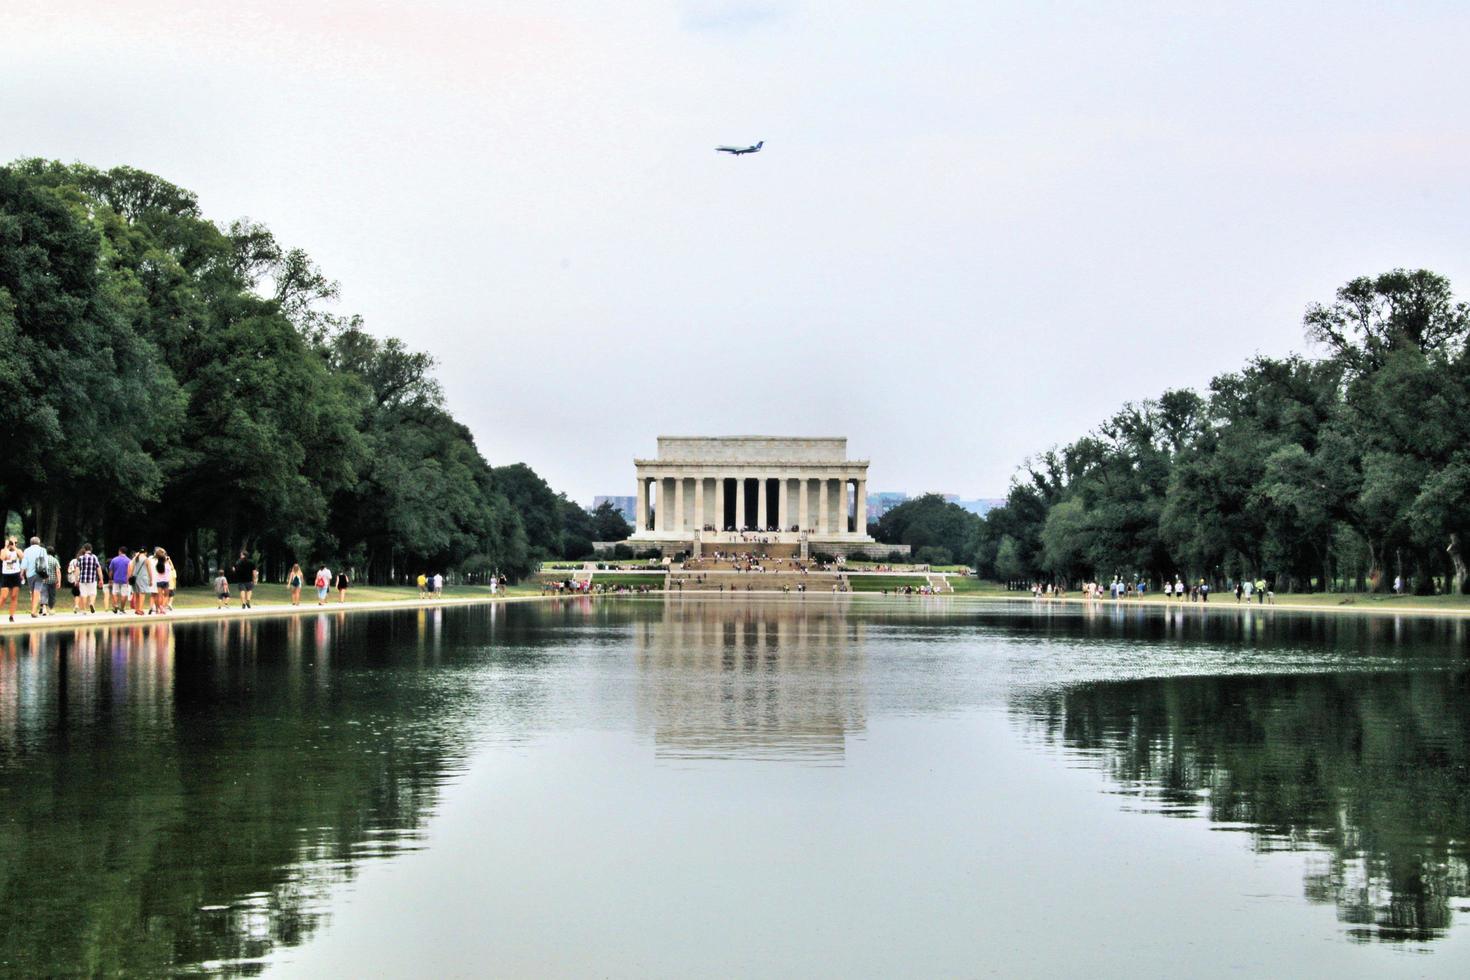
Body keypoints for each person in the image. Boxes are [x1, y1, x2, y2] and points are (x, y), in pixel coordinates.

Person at [22, 536, 50, 617]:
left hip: (29, 574)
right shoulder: (43, 550)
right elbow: (46, 563)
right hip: (40, 573)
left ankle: (33, 610)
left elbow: (24, 562)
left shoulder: (26, 550)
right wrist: (46, 574)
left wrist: (21, 572)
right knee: (37, 591)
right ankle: (34, 611)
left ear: (31, 543)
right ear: (38, 542)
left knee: (32, 592)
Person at [76, 543, 102, 614]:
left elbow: (77, 570)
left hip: (82, 579)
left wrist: (76, 580)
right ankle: (91, 604)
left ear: (84, 549)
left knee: (83, 594)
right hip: (92, 579)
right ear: (91, 549)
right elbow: (98, 569)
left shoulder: (81, 558)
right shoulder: (94, 557)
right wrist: (101, 579)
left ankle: (84, 610)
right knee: (93, 593)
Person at [0, 538, 22, 622]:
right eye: (11, 542)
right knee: (3, 596)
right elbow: (2, 557)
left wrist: (14, 547)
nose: (13, 544)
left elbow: (22, 556)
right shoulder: (4, 550)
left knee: (14, 596)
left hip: (15, 575)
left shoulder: (17, 550)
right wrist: (6, 546)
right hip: (6, 575)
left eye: (15, 542)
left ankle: (11, 616)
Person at [107, 546, 132, 614]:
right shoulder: (129, 561)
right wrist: (128, 580)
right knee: (124, 594)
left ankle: (116, 605)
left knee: (115, 593)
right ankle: (122, 609)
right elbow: (130, 571)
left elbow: (111, 571)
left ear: (119, 551)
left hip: (116, 579)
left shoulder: (114, 560)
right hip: (125, 580)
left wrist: (110, 579)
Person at [150, 548, 171, 614]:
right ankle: (163, 607)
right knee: (166, 595)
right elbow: (170, 570)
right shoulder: (167, 565)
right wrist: (168, 561)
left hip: (159, 582)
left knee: (159, 595)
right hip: (165, 582)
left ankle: (159, 608)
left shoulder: (157, 565)